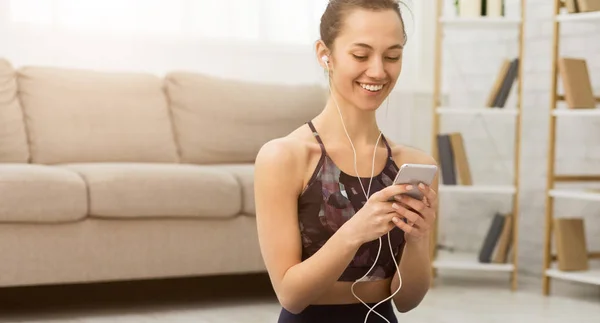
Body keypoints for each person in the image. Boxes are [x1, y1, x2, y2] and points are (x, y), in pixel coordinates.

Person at [254, 0, 439, 322]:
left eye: (392, 56)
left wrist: (418, 240)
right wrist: (355, 232)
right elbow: (292, 296)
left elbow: (408, 300)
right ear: (325, 54)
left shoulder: (414, 163)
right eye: (361, 55)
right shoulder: (284, 157)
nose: (379, 71)